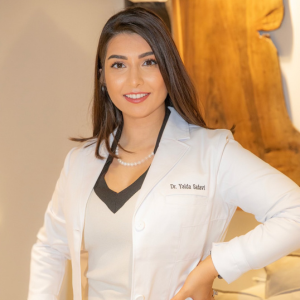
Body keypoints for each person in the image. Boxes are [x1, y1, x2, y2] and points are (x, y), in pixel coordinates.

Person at [27, 6, 300, 300]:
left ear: (168, 70)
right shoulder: (79, 161)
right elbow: (50, 247)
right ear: (103, 77)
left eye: (149, 63)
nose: (134, 81)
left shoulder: (212, 152)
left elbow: (294, 212)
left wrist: (214, 266)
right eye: (119, 65)